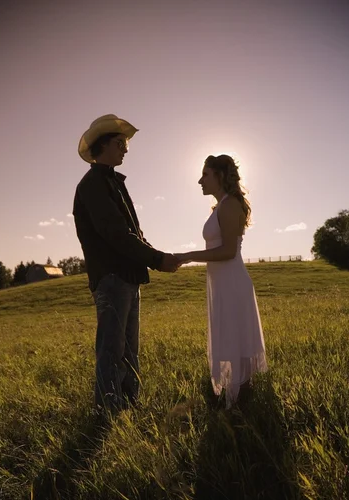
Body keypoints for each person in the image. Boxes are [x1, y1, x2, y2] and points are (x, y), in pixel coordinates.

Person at [73, 114, 179, 414]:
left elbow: (132, 233)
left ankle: (130, 407)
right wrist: (157, 259)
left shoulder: (112, 182)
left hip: (128, 276)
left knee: (129, 349)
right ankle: (108, 411)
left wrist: (150, 258)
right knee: (112, 349)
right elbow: (116, 234)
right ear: (102, 145)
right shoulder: (93, 184)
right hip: (111, 277)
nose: (126, 149)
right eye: (120, 143)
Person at [175, 155, 267, 408]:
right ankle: (236, 395)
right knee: (228, 332)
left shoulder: (229, 206)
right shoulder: (221, 206)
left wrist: (187, 256)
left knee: (234, 333)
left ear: (219, 176)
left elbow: (228, 252)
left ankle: (239, 400)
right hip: (222, 281)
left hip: (232, 281)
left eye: (205, 175)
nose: (199, 181)